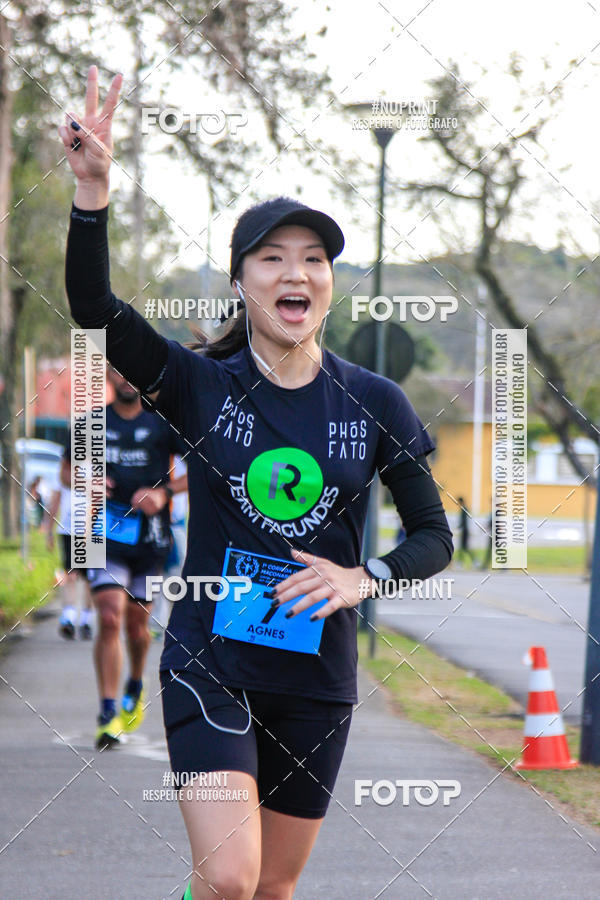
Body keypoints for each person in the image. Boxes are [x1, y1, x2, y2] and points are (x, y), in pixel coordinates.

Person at [59, 65, 453, 900]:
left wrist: (362, 576)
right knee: (233, 878)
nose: (294, 273)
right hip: (212, 661)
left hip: (317, 680)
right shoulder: (201, 385)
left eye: (313, 259)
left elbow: (433, 535)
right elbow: (93, 306)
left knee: (268, 891)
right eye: (272, 258)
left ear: (329, 284)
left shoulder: (373, 399)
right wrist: (92, 195)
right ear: (243, 281)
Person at [63, 365, 188, 749]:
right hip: (104, 535)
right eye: (119, 371)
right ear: (109, 377)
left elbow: (201, 468)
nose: (127, 378)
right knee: (109, 614)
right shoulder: (92, 423)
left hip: (150, 542)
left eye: (133, 371)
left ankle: (135, 679)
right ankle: (107, 710)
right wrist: (89, 482)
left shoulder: (163, 423)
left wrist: (164, 492)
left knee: (137, 626)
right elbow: (67, 471)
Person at [45, 454, 94, 639]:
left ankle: (86, 621)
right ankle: (69, 618)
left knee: (89, 577)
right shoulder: (64, 469)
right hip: (68, 529)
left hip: (93, 530)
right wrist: (48, 529)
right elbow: (55, 500)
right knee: (70, 574)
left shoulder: (98, 465)